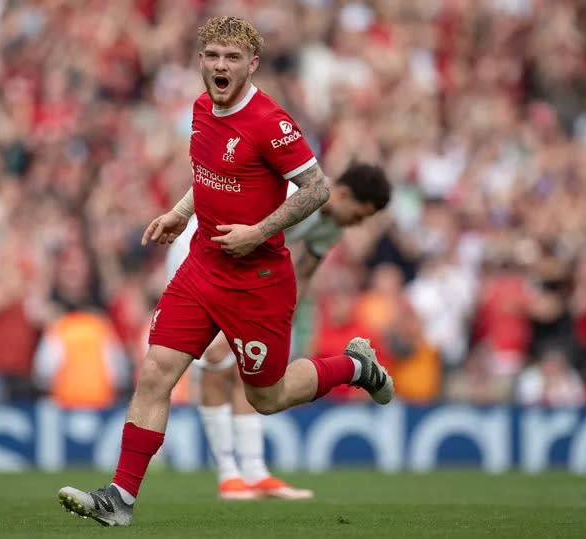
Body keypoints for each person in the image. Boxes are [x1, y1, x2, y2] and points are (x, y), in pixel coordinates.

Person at [57, 16, 393, 527]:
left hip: (258, 282)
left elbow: (318, 189)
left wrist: (258, 232)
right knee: (155, 374)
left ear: (251, 64)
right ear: (200, 60)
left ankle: (354, 368)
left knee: (267, 396)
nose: (220, 65)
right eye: (212, 55)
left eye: (232, 57)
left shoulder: (271, 122)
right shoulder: (199, 109)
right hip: (202, 267)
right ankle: (120, 498)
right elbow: (212, 176)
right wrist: (180, 212)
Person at [173, 162, 391, 500]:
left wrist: (281, 320)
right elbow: (231, 224)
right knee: (216, 357)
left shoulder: (331, 223)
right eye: (359, 215)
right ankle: (229, 475)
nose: (357, 225)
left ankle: (254, 471)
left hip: (246, 269)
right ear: (344, 194)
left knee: (249, 365)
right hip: (205, 254)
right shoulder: (294, 193)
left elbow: (303, 274)